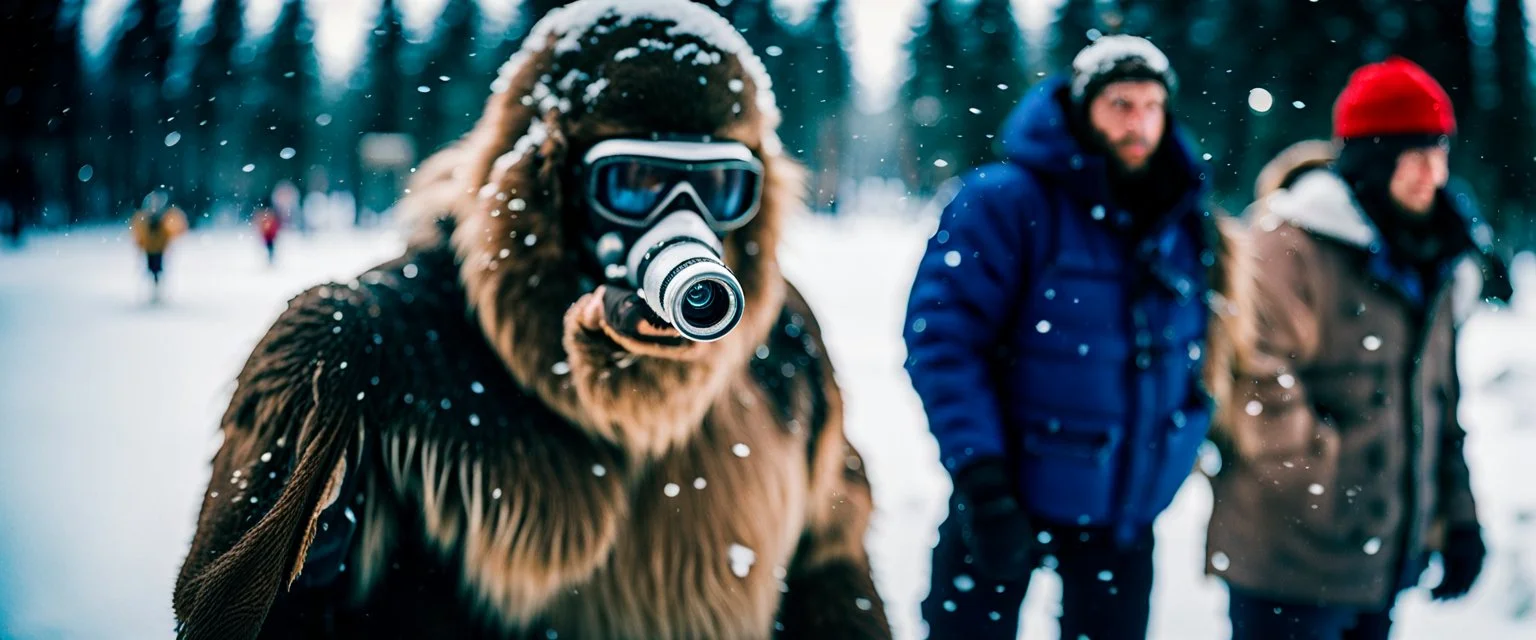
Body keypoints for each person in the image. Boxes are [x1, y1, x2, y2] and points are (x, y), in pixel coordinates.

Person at [171, 2, 891, 638]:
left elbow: (832, 570)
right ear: (544, 181)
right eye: (636, 181)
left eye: (719, 186)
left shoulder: (777, 337)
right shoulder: (375, 347)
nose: (685, 219)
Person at [903, 35, 1250, 639]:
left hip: (1123, 514)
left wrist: (1182, 436)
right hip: (1004, 495)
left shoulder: (1181, 213)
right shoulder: (1006, 201)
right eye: (1120, 105)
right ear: (1081, 109)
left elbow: (1202, 340)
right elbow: (943, 340)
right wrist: (982, 478)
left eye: (1151, 106)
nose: (1138, 123)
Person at [1207, 57, 1513, 640]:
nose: (1434, 172)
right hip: (1289, 565)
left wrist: (1456, 518)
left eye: (1440, 151)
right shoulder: (1289, 242)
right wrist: (1338, 484)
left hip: (1383, 562)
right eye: (1414, 154)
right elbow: (1256, 386)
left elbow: (1438, 403)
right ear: (1373, 160)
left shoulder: (1438, 257)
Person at [130, 190, 187, 302]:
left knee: (156, 271)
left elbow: (172, 231)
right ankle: (155, 292)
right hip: (151, 249)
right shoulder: (146, 218)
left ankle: (156, 292)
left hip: (158, 249)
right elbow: (141, 234)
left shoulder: (164, 218)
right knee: (153, 271)